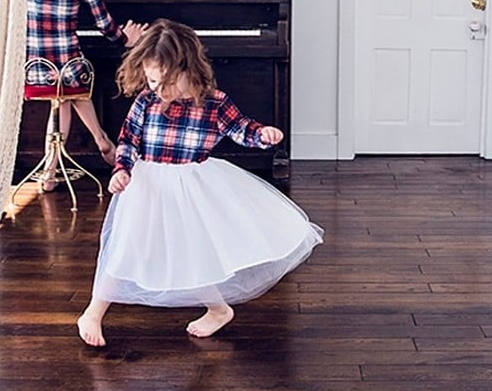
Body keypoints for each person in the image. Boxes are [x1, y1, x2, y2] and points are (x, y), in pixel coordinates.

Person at [77, 19, 323, 347]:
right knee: (125, 246)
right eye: (152, 81)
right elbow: (128, 141)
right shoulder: (146, 103)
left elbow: (242, 129)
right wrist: (122, 170)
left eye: (166, 81)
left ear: (188, 70)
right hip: (147, 187)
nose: (158, 89)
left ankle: (218, 309)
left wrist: (263, 136)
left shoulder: (214, 103)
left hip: (188, 190)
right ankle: (93, 311)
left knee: (190, 253)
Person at [26, 0, 147, 190]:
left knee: (62, 96)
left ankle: (52, 171)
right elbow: (104, 24)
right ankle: (102, 142)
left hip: (33, 70)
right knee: (69, 86)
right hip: (69, 70)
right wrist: (126, 40)